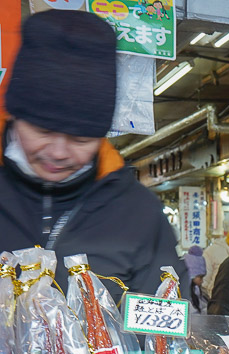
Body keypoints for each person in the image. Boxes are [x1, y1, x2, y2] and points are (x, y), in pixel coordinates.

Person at [0, 10, 186, 294]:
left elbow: (164, 325)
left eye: (80, 138)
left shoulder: (139, 214)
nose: (59, 152)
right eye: (43, 131)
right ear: (15, 118)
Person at [183, 245, 207, 313]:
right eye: (200, 277)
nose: (202, 281)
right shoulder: (187, 294)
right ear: (192, 276)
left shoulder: (196, 290)